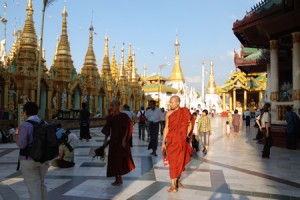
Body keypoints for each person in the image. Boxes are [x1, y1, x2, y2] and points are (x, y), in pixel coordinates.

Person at [16, 102, 49, 200]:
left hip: (28, 159)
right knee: (41, 184)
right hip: (44, 158)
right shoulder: (44, 123)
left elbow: (21, 144)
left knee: (33, 186)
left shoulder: (25, 125)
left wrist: (17, 134)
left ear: (25, 112)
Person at [161, 96, 194, 192]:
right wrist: (163, 142)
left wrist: (185, 136)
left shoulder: (184, 111)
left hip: (181, 141)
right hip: (171, 141)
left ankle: (177, 181)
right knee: (172, 162)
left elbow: (190, 124)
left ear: (178, 103)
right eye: (169, 102)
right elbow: (166, 127)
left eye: (172, 102)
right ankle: (173, 185)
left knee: (180, 161)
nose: (170, 104)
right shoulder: (168, 113)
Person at [102, 99, 135, 186]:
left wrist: (124, 140)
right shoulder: (110, 117)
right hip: (113, 142)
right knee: (113, 160)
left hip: (121, 142)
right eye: (111, 106)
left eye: (113, 105)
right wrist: (104, 142)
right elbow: (107, 130)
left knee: (120, 160)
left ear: (117, 106)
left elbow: (128, 128)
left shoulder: (123, 116)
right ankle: (116, 178)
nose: (111, 107)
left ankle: (120, 179)